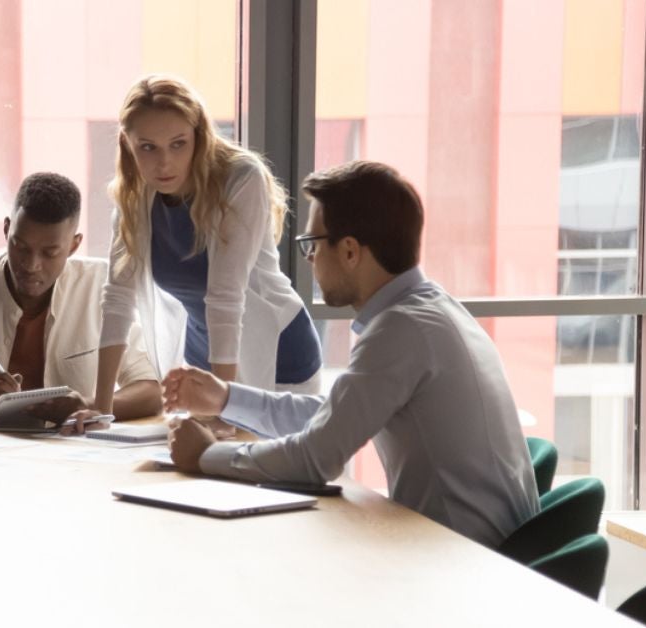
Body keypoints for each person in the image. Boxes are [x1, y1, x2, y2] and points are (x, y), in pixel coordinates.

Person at [163, 161, 540, 548]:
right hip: (458, 551)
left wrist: (209, 455)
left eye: (312, 245)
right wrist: (226, 399)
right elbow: (334, 419)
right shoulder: (430, 308)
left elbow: (315, 459)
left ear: (348, 251)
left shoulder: (402, 330)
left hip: (459, 561)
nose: (309, 258)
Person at [95, 75, 322, 425]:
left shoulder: (241, 177)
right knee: (197, 471)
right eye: (148, 147)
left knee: (266, 470)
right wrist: (101, 406)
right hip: (206, 359)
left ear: (198, 137)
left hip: (276, 352)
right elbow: (118, 298)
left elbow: (225, 297)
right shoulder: (135, 194)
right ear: (127, 144)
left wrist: (225, 407)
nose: (164, 163)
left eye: (177, 144)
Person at [0, 173, 160, 424]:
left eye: (50, 253)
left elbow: (152, 389)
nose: (31, 265)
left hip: (71, 451)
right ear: (6, 229)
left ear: (74, 246)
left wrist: (88, 405)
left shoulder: (102, 289)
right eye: (20, 246)